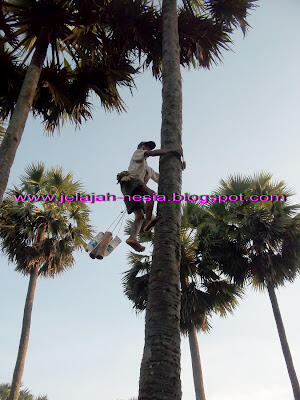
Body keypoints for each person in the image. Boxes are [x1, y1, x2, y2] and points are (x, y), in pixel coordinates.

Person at [117, 141, 182, 252]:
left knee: (139, 216)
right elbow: (152, 153)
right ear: (142, 147)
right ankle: (148, 222)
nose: (148, 148)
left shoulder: (149, 169)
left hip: (135, 187)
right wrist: (172, 151)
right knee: (151, 194)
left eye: (149, 147)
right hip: (130, 182)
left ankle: (132, 238)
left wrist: (179, 168)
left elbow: (161, 178)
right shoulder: (138, 152)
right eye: (146, 146)